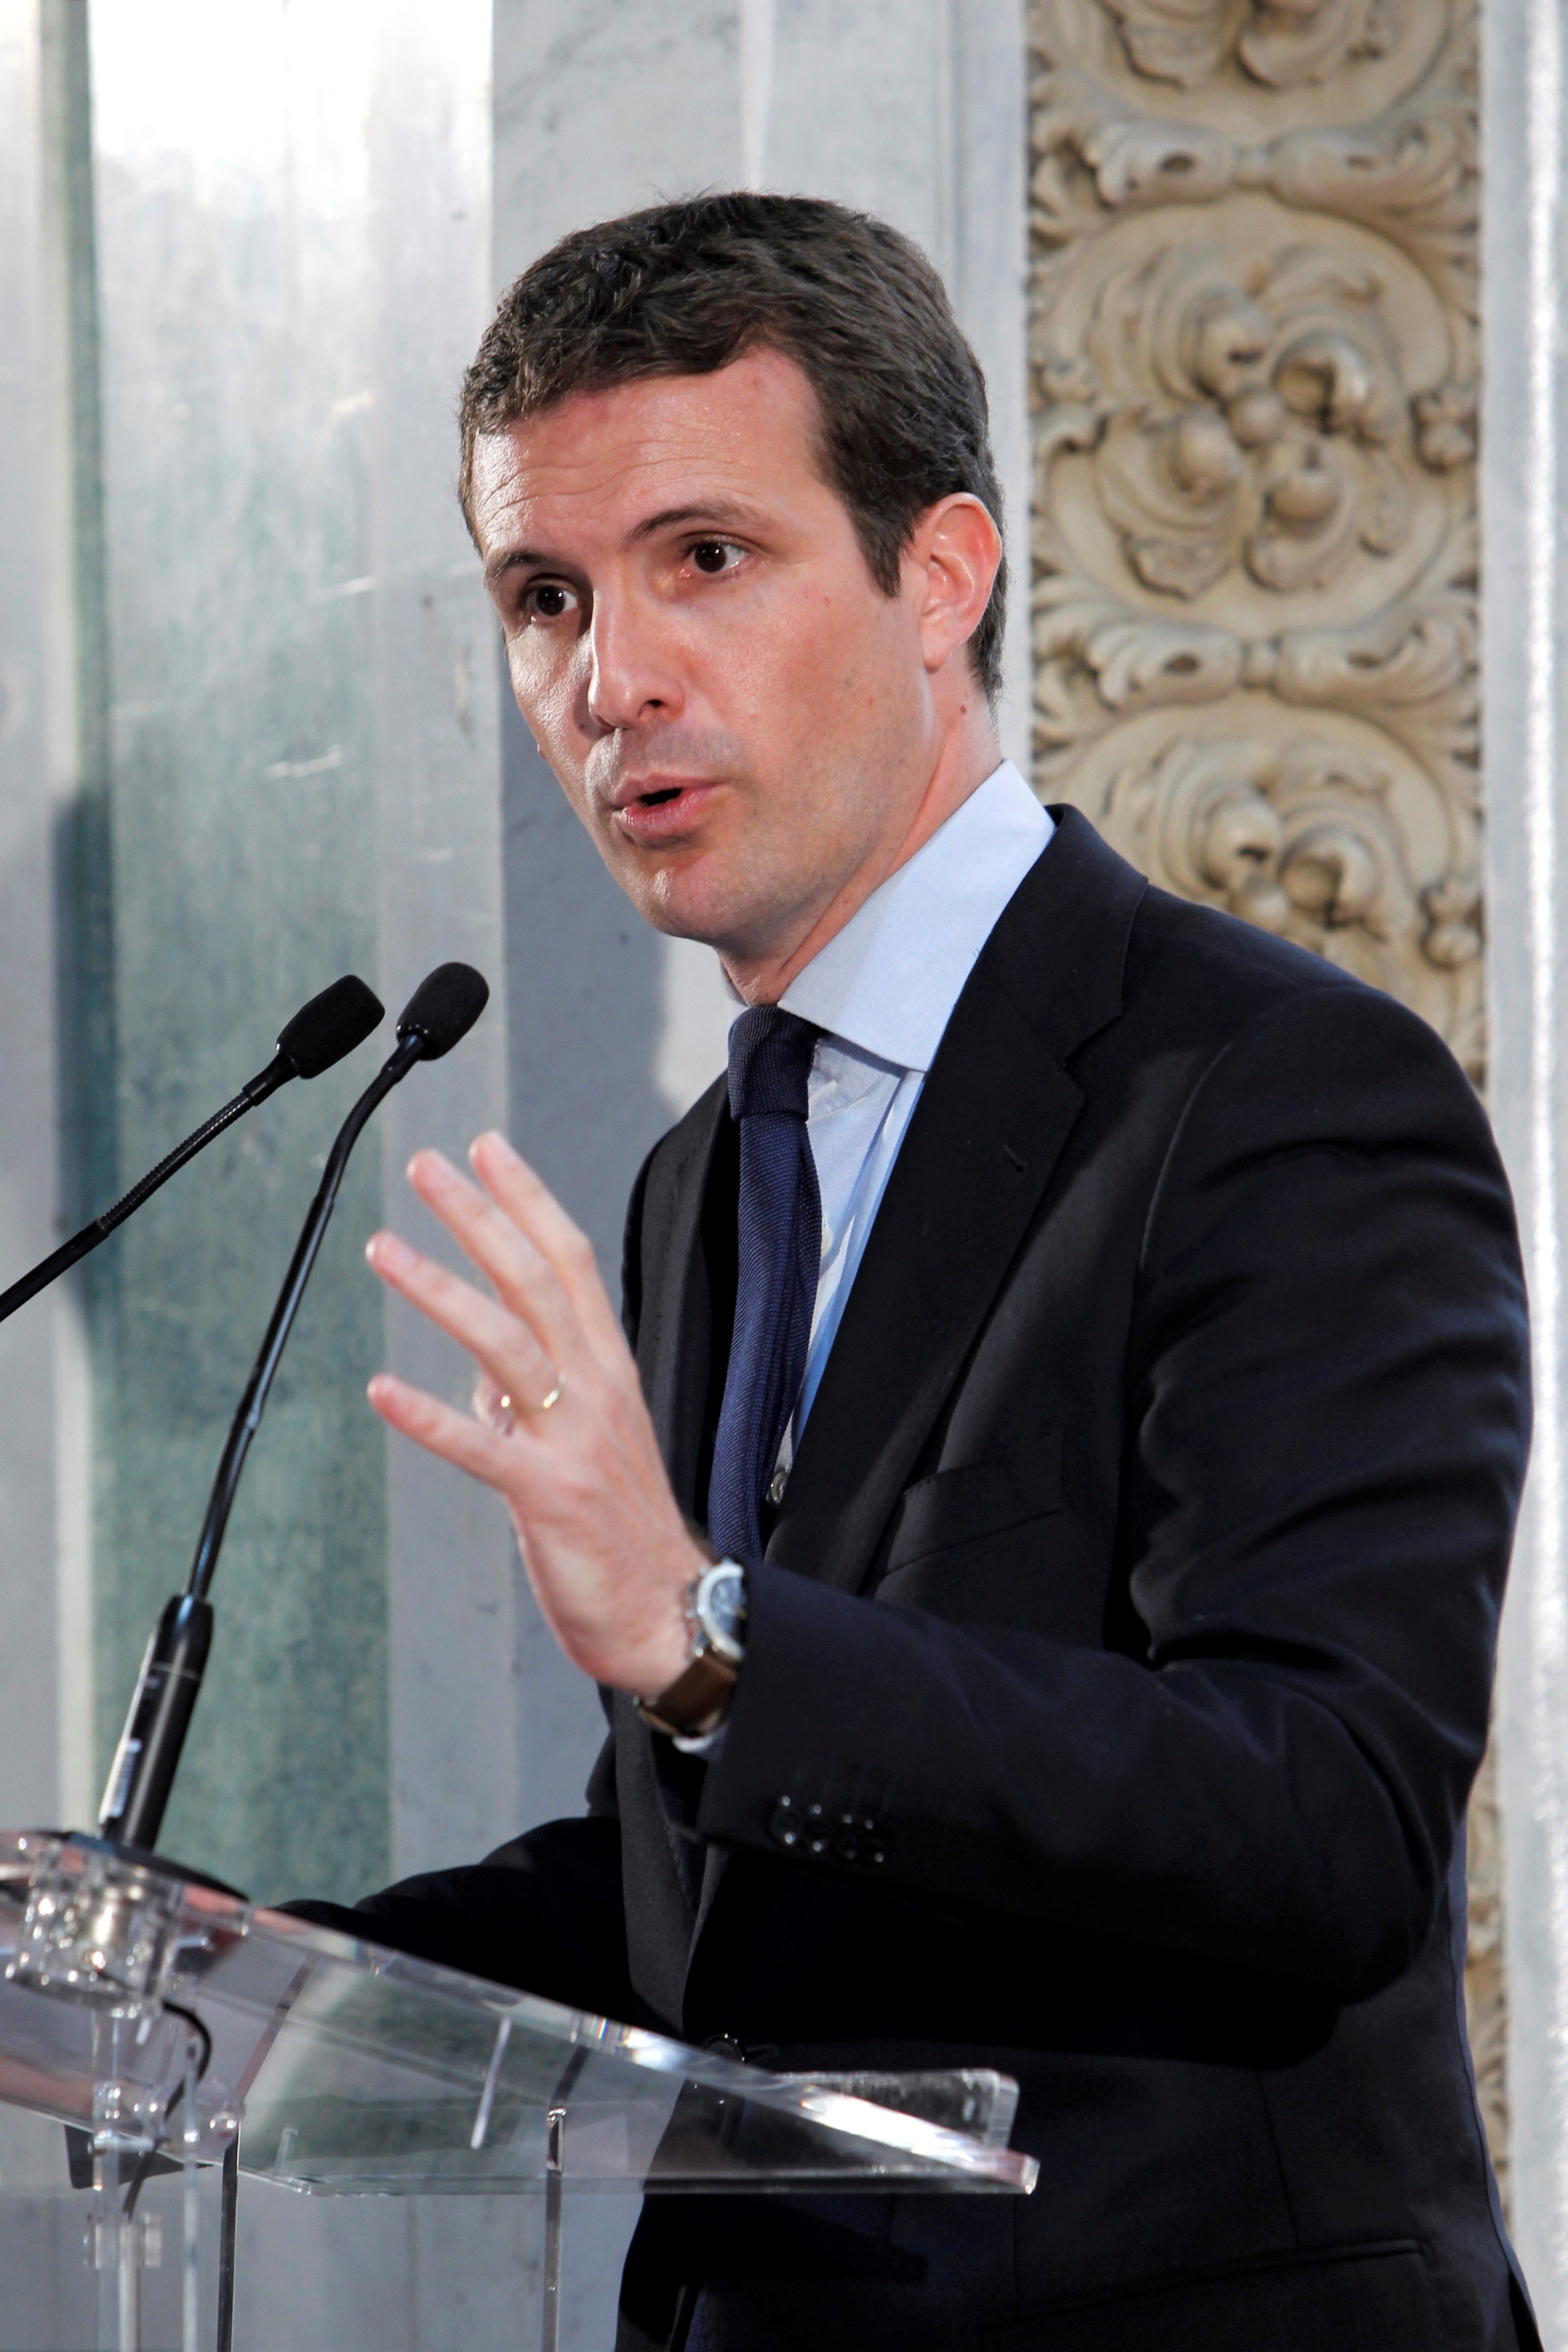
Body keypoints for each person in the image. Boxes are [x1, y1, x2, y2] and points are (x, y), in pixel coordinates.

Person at [289, 194, 1536, 2350]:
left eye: (707, 558)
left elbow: (1325, 1815)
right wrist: (240, 1986)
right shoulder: (706, 1182)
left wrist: (708, 1648)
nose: (613, 681)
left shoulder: (1272, 1091)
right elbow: (733, 1904)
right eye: (544, 596)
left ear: (938, 575)